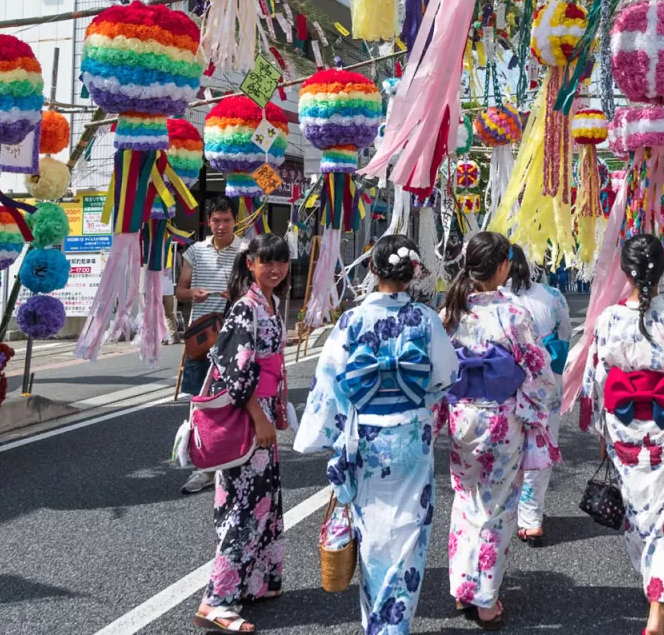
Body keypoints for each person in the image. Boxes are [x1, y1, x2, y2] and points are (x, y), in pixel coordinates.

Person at [295, 234, 458, 635]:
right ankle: (394, 624)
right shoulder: (424, 319)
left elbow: (330, 380)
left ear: (371, 269)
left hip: (366, 436)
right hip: (410, 437)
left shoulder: (352, 321)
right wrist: (419, 396)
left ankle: (378, 625)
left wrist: (329, 431)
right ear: (413, 273)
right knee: (407, 530)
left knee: (371, 531)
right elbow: (446, 376)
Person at [582, 234, 664, 635]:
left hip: (623, 426)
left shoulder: (607, 320)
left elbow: (597, 380)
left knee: (637, 510)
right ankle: (657, 603)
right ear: (663, 271)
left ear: (625, 271)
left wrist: (601, 429)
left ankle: (652, 583)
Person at [442, 231, 557, 631]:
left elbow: (440, 369)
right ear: (503, 267)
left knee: (465, 498)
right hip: (499, 419)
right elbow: (539, 370)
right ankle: (486, 599)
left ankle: (461, 588)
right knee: (496, 507)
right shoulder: (513, 314)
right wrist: (538, 401)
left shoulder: (452, 310)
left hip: (462, 416)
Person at [193, 234, 291, 632]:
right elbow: (236, 369)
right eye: (266, 261)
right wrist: (260, 416)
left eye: (281, 262)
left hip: (263, 408)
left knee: (264, 496)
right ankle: (216, 599)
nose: (275, 269)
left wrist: (276, 408)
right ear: (250, 263)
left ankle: (257, 579)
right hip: (249, 412)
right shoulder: (244, 308)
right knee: (247, 504)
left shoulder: (270, 304)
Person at [505, 245, 571, 545]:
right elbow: (566, 333)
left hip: (506, 382)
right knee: (542, 443)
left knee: (509, 444)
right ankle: (531, 517)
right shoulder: (552, 296)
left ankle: (509, 509)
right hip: (545, 380)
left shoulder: (497, 301)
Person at [179, 198, 244, 494]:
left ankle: (231, 459)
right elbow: (181, 289)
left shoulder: (245, 251)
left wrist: (237, 291)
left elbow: (253, 288)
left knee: (231, 398)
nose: (221, 226)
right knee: (198, 400)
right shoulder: (194, 251)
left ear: (235, 221)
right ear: (209, 221)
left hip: (233, 336)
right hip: (200, 336)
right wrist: (194, 292)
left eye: (226, 221)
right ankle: (201, 465)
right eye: (216, 220)